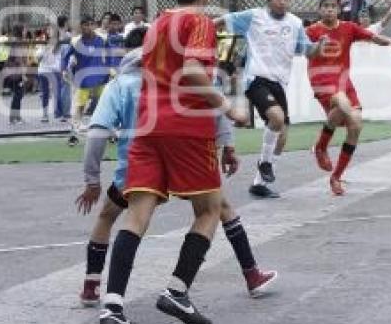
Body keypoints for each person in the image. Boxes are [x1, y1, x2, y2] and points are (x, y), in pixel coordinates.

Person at [97, 0, 248, 324]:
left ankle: (112, 305)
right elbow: (195, 72)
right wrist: (227, 106)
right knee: (210, 210)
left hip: (147, 127)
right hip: (186, 127)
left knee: (137, 214)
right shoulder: (197, 21)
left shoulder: (158, 23)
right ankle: (178, 289)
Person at [76, 28, 275, 307]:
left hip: (138, 166)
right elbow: (213, 104)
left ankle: (94, 287)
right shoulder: (179, 73)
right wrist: (228, 146)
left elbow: (97, 133)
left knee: (111, 216)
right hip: (183, 159)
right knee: (219, 207)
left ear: (126, 52)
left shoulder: (120, 84)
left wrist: (92, 180)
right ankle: (249, 274)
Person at [217, 0, 323, 199]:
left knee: (282, 135)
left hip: (279, 83)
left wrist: (319, 45)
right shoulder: (254, 16)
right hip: (256, 78)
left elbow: (308, 52)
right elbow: (221, 22)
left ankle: (259, 183)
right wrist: (195, 28)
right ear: (269, 0)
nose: (282, 2)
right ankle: (265, 163)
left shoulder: (294, 23)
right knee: (276, 117)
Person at [307, 0, 391, 196]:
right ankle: (321, 148)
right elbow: (302, 49)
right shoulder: (312, 31)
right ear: (319, 9)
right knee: (341, 103)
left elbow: (373, 36)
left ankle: (336, 176)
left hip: (344, 82)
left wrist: (390, 41)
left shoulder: (348, 28)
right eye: (326, 6)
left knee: (356, 124)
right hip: (322, 81)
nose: (330, 9)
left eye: (333, 6)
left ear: (339, 9)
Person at [63, 17, 109, 145]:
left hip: (100, 78)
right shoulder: (76, 42)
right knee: (80, 107)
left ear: (93, 25)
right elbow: (65, 57)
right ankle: (73, 134)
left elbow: (110, 53)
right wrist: (64, 70)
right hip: (84, 80)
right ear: (80, 27)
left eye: (90, 25)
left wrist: (110, 69)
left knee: (105, 105)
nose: (87, 27)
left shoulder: (102, 39)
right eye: (84, 25)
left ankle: (109, 132)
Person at [4, 26, 27, 125]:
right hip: (15, 73)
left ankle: (16, 116)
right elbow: (19, 60)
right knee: (18, 95)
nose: (26, 31)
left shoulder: (16, 41)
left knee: (18, 94)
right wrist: (23, 74)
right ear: (21, 31)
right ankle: (13, 118)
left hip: (12, 72)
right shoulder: (18, 43)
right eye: (24, 30)